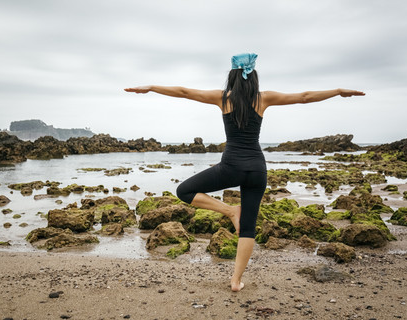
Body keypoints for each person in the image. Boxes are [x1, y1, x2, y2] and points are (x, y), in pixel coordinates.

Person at [124, 53, 365, 292]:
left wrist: (152, 87)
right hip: (257, 170)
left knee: (183, 190)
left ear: (232, 76)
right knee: (248, 227)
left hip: (231, 167)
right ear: (254, 78)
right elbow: (303, 97)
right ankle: (236, 281)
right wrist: (337, 91)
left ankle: (230, 211)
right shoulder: (264, 99)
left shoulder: (223, 99)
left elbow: (185, 92)